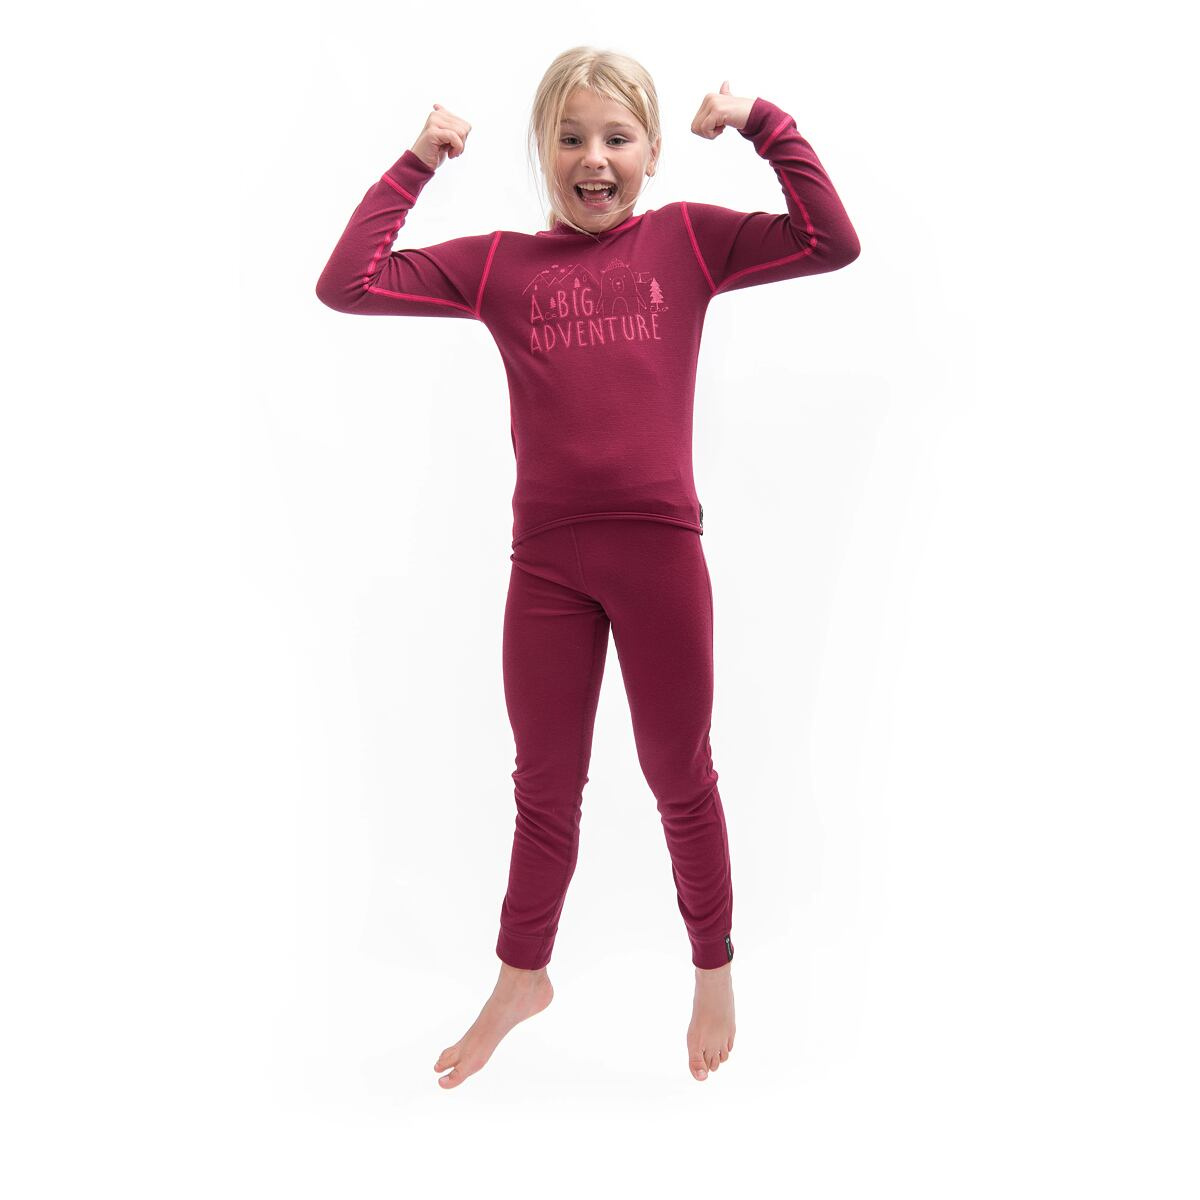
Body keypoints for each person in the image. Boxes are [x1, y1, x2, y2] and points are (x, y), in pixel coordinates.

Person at [315, 46, 860, 1089]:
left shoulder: (689, 241)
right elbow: (349, 284)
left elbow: (830, 240)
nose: (593, 159)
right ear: (543, 151)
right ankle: (522, 975)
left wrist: (760, 120)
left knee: (680, 777)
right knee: (545, 789)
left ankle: (713, 966)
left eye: (616, 137)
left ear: (652, 151)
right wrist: (418, 162)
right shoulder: (501, 266)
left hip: (659, 557)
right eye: (569, 139)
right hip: (549, 570)